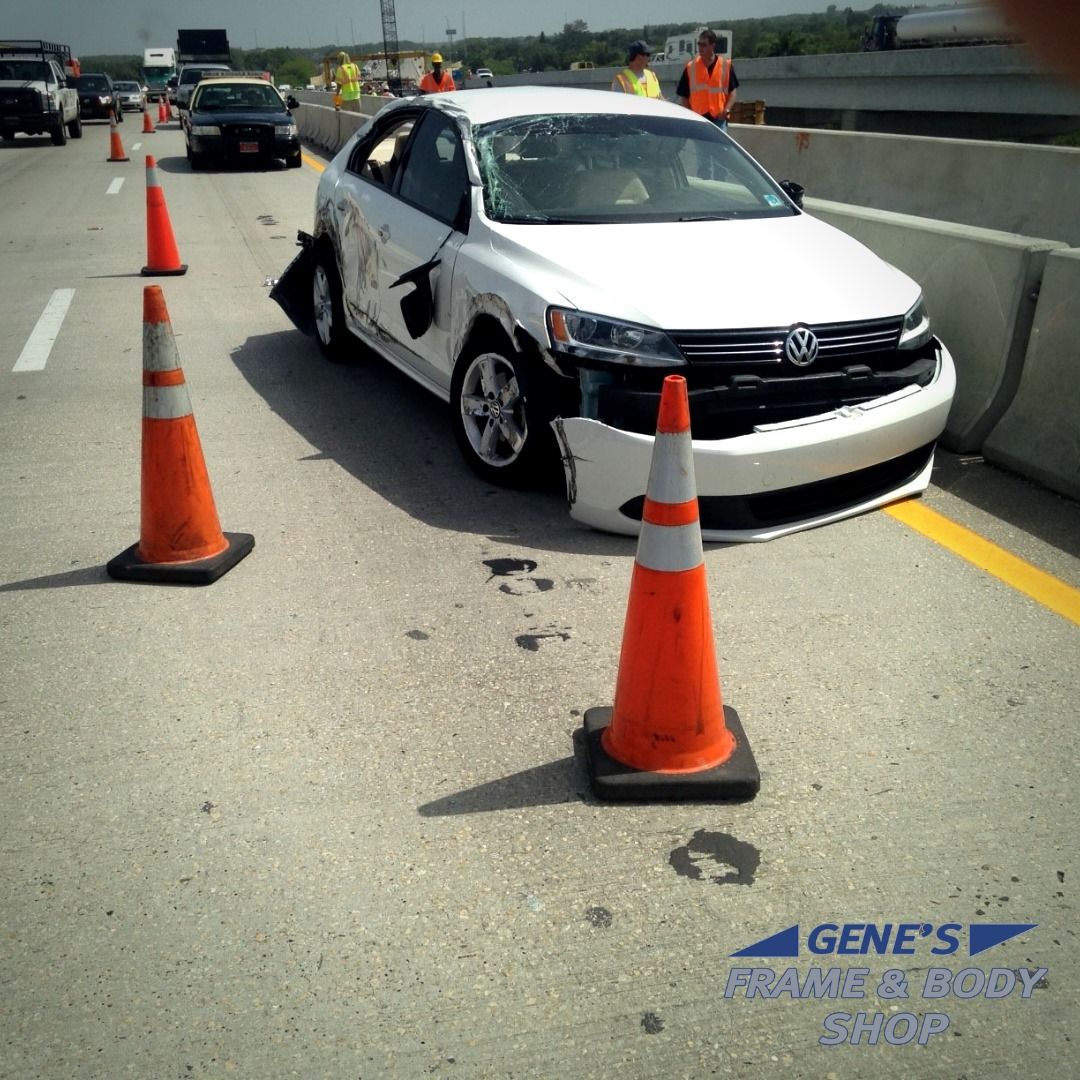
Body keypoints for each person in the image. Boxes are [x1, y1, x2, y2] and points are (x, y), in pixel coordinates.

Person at [676, 28, 739, 127]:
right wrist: (690, 115)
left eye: (704, 45)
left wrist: (726, 110)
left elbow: (733, 91)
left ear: (713, 46)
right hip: (698, 120)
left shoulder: (725, 65)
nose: (700, 48)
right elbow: (684, 95)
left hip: (719, 118)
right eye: (699, 44)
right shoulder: (691, 67)